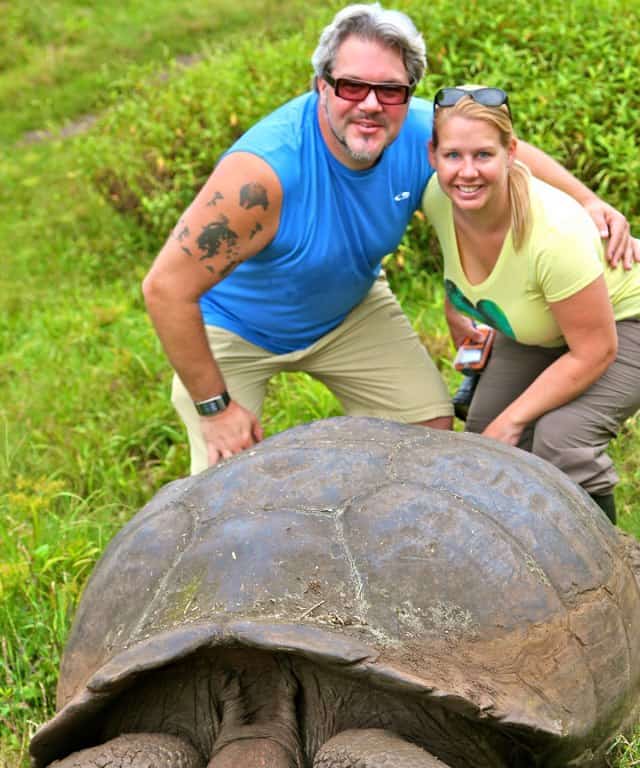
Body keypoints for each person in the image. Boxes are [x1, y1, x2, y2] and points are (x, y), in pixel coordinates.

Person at [142, 3, 637, 476]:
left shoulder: (416, 129)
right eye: (352, 86)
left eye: (391, 90)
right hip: (236, 328)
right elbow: (165, 287)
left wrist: (587, 201)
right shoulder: (262, 177)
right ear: (322, 86)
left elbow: (508, 152)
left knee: (430, 436)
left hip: (350, 311)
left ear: (409, 93)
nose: (372, 105)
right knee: (227, 481)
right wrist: (215, 408)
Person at [423, 85, 640, 523]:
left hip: (623, 322)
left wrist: (516, 419)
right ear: (432, 155)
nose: (467, 172)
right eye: (453, 156)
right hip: (546, 326)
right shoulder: (437, 200)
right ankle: (521, 555)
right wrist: (455, 306)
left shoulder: (553, 235)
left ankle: (608, 575)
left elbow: (596, 349)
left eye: (484, 155)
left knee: (560, 439)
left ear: (512, 153)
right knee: (485, 440)